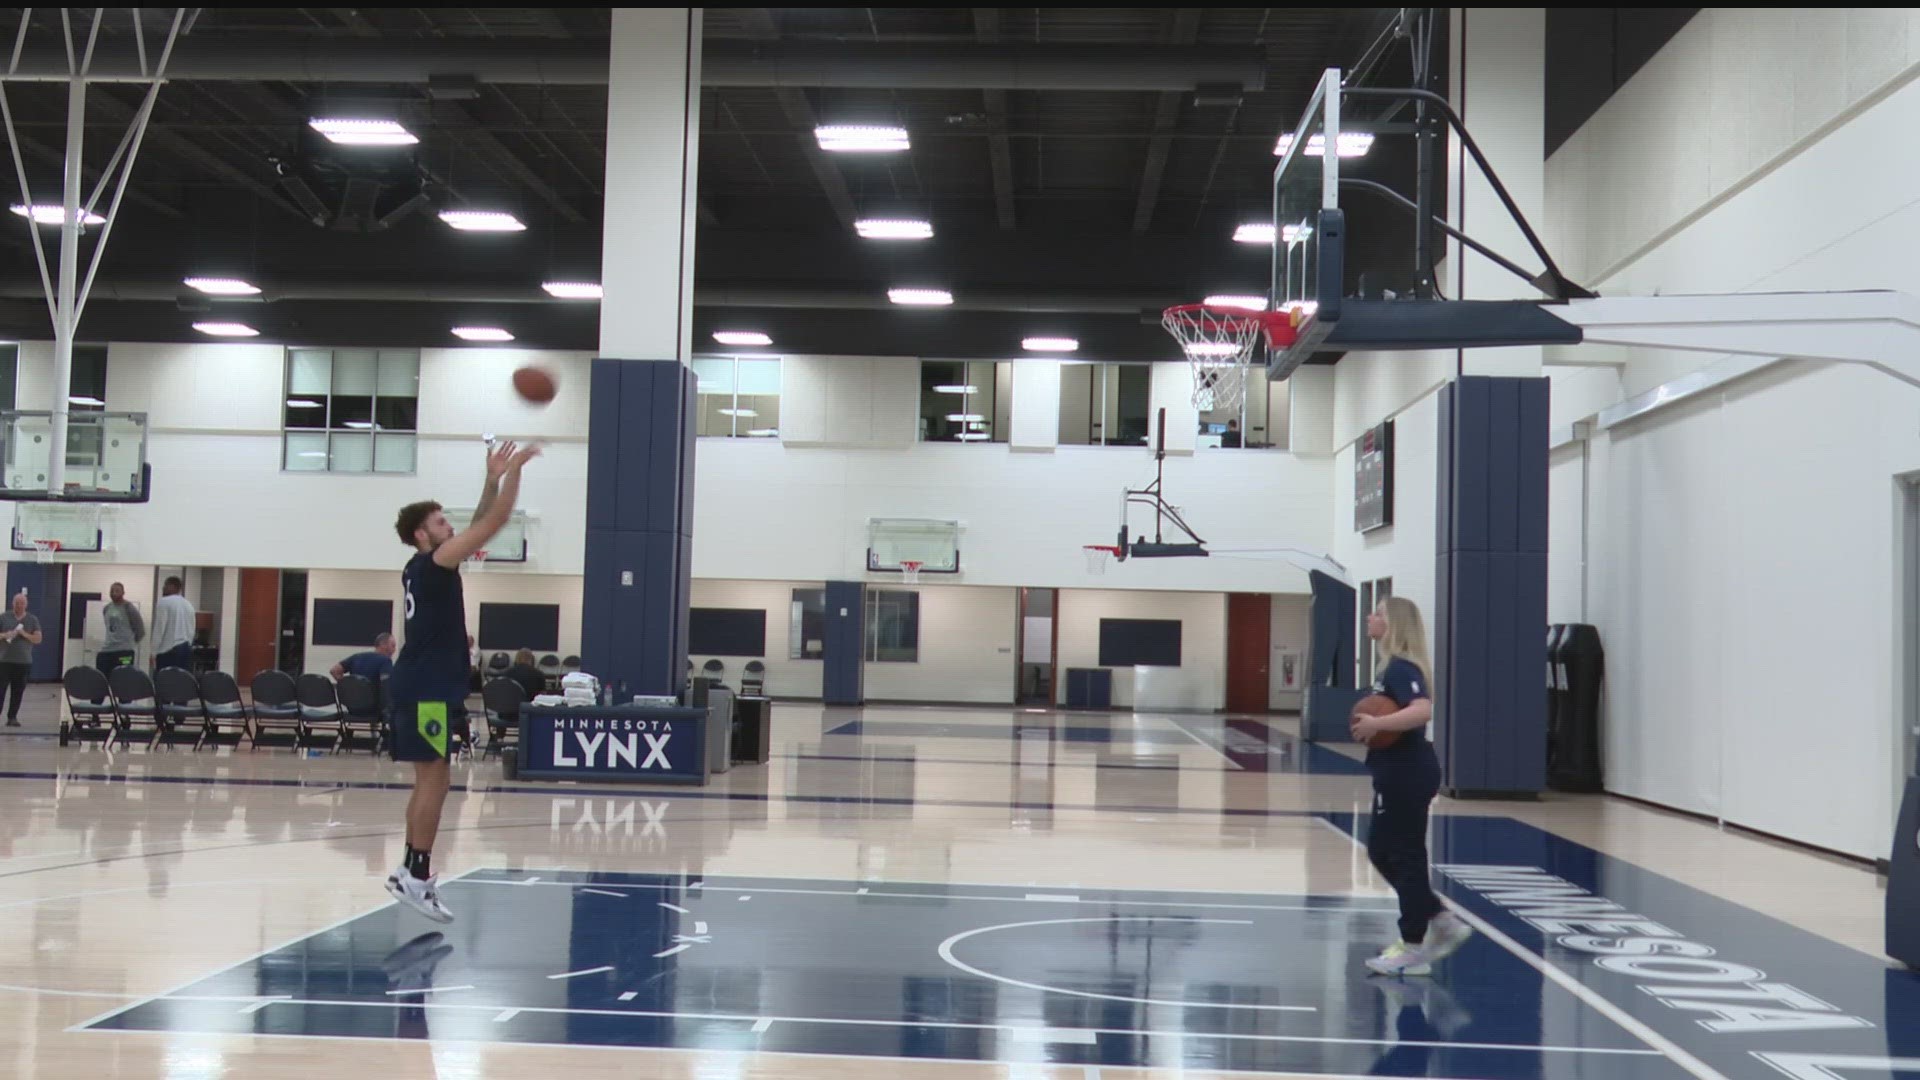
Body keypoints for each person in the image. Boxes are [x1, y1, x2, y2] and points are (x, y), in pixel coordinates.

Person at [384, 438, 539, 923]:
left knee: (428, 778)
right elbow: (490, 524)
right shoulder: (433, 566)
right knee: (437, 779)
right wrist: (515, 473)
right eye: (439, 523)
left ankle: (410, 868)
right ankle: (417, 875)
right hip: (428, 685)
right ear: (420, 534)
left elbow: (475, 524)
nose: (448, 527)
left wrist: (490, 478)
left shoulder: (421, 566)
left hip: (419, 682)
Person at [1348, 596, 1472, 976]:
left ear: (1395, 624)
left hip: (1407, 772)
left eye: (1378, 613)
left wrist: (1376, 726)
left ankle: (1417, 943)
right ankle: (1434, 921)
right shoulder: (1389, 668)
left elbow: (1422, 709)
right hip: (1398, 772)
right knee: (1386, 853)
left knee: (1400, 855)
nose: (1370, 617)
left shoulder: (1401, 668)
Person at [0, 591, 42, 727]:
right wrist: (5, 635)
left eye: (22, 603)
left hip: (23, 662)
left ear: (26, 604)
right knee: (0, 690)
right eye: (17, 603)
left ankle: (12, 717)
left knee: (17, 691)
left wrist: (24, 634)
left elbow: (38, 639)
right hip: (4, 661)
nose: (19, 606)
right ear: (13, 604)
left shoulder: (32, 619)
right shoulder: (4, 617)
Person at [151, 576, 196, 671]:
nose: (163, 588)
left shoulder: (164, 602)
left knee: (164, 682)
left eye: (166, 585)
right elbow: (192, 629)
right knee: (181, 682)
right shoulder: (188, 604)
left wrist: (153, 652)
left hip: (168, 651)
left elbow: (159, 628)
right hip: (186, 649)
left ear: (173, 586)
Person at [96, 583, 144, 672]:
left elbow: (140, 630)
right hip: (107, 649)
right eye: (112, 591)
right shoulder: (106, 608)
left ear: (123, 592)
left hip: (125, 651)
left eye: (117, 591)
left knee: (122, 677)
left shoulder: (129, 607)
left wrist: (130, 643)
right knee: (102, 676)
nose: (114, 593)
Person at [331, 633, 397, 683]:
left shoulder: (356, 657)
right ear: (383, 645)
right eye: (393, 646)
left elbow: (334, 670)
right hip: (374, 700)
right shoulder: (386, 661)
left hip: (353, 699)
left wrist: (346, 686)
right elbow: (386, 685)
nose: (394, 650)